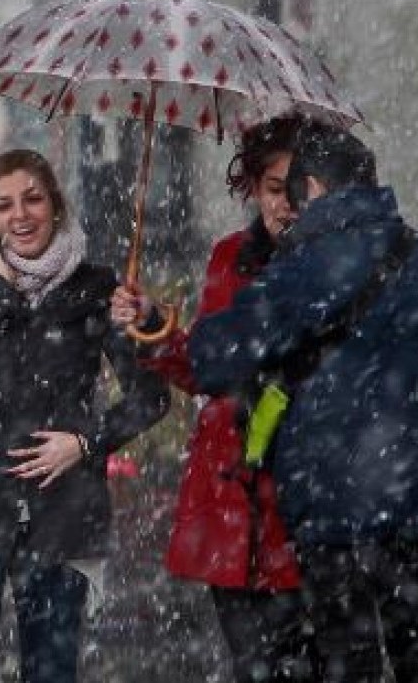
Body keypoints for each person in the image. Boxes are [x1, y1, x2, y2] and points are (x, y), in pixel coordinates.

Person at [188, 122, 418, 682]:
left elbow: (212, 358)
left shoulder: (306, 268)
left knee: (351, 665)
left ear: (317, 189)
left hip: (334, 516)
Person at [0, 149, 171, 683]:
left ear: (55, 204)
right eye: (4, 205)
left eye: (32, 198)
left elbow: (151, 398)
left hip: (63, 512)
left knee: (52, 670)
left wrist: (83, 442)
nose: (21, 215)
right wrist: (0, 293)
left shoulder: (98, 290)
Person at [110, 114, 318, 682]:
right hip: (235, 508)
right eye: (275, 189)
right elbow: (204, 366)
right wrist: (151, 323)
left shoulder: (337, 264)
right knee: (251, 666)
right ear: (254, 189)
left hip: (306, 505)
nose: (287, 205)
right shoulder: (230, 257)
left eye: (299, 189)